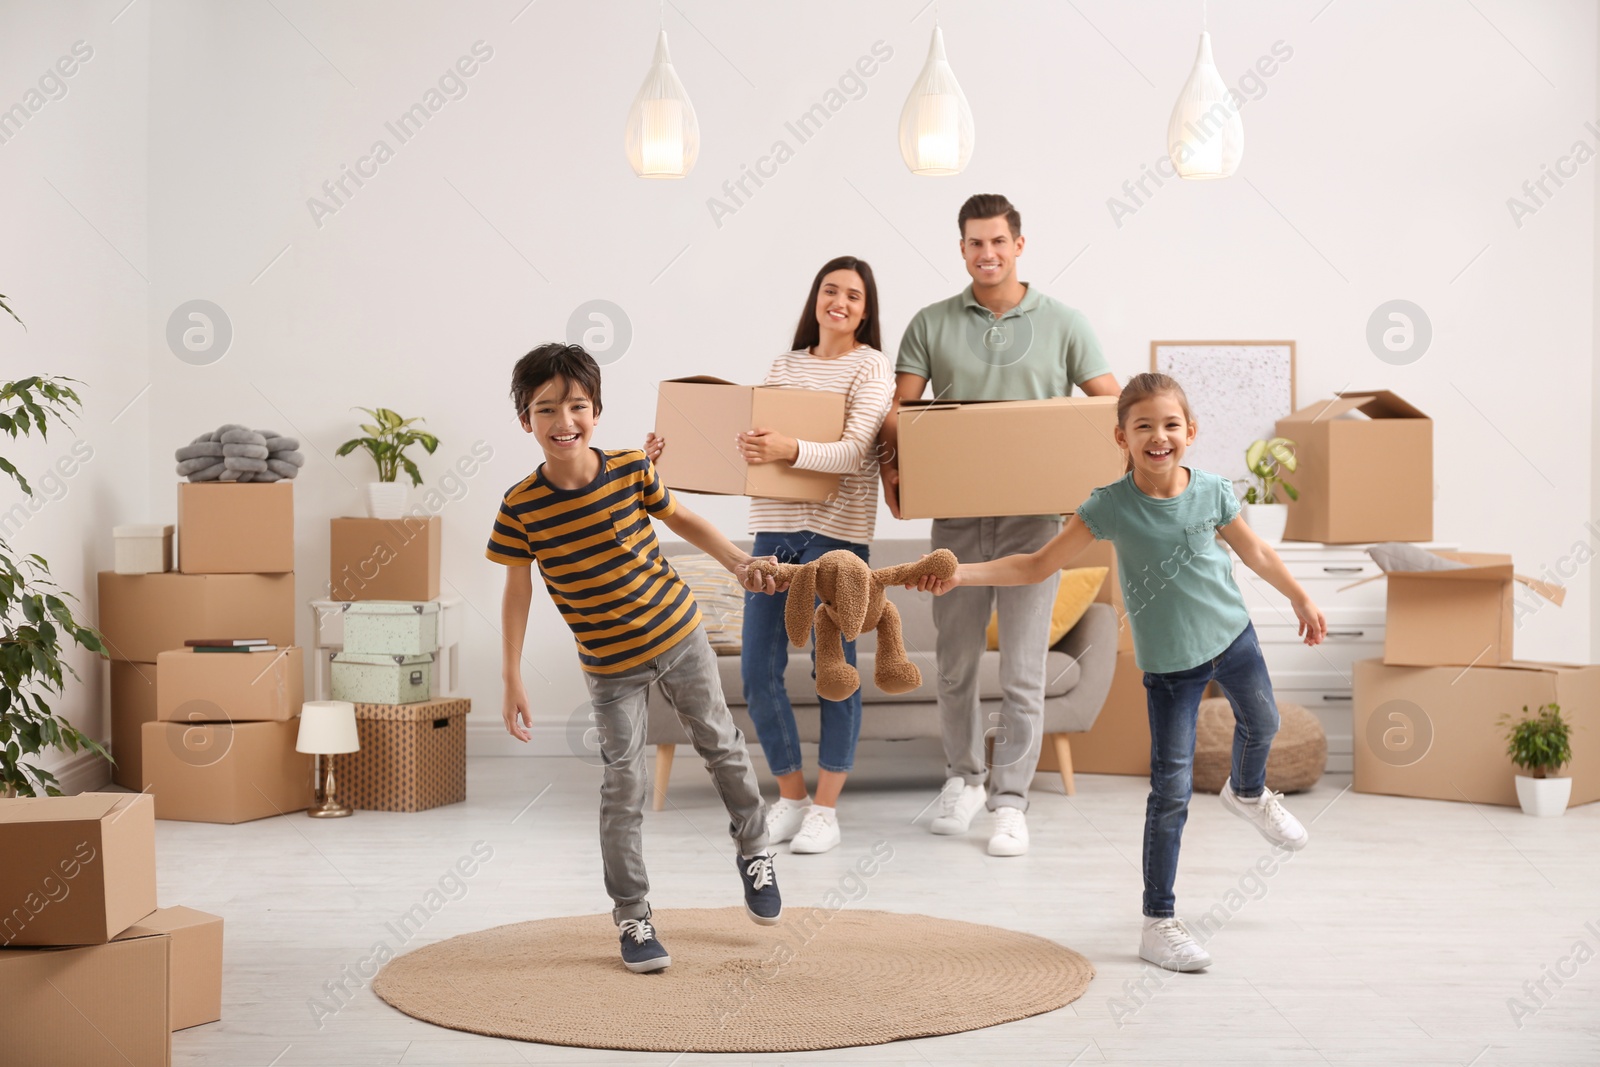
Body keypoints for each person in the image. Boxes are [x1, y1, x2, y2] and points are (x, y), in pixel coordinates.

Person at [914, 371, 1327, 972]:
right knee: (1171, 793)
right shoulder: (1109, 506)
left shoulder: (1211, 491)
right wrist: (962, 574)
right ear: (1122, 438)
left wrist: (1299, 596)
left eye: (1169, 425)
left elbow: (1256, 552)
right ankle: (1158, 922)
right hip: (1172, 670)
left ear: (1190, 431)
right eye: (1143, 427)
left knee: (1262, 725)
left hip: (1234, 638)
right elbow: (1035, 565)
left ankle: (1247, 791)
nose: (1158, 436)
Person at [489, 342, 783, 975]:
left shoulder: (628, 469)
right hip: (609, 665)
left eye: (576, 406)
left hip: (679, 635)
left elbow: (685, 520)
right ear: (526, 421)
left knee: (722, 746)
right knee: (622, 787)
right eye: (546, 410)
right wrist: (511, 674)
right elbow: (517, 591)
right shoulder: (520, 506)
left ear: (596, 410)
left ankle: (755, 851)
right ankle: (633, 915)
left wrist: (739, 562)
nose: (563, 421)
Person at [878, 193, 1120, 856]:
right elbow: (900, 414)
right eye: (974, 243)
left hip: (1035, 524)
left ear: (1019, 246)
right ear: (961, 250)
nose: (987, 253)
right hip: (956, 520)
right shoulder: (930, 323)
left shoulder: (1066, 323)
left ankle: (1011, 800)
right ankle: (964, 779)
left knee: (1021, 670)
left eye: (998, 242)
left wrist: (1085, 487)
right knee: (955, 664)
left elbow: (1110, 407)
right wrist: (903, 461)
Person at [647, 257, 893, 855]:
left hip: (839, 537)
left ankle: (827, 811)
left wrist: (787, 446)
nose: (839, 302)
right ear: (815, 299)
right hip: (774, 535)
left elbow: (854, 452)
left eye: (852, 295)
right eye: (829, 290)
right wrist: (671, 455)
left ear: (867, 309)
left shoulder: (871, 366)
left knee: (835, 674)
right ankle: (792, 797)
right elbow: (754, 453)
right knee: (758, 670)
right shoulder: (784, 365)